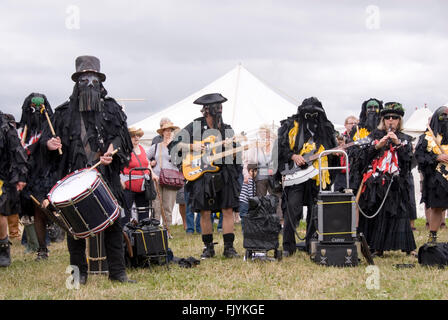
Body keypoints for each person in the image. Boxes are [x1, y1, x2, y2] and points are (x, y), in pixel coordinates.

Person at [41, 55, 135, 283]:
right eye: (84, 79)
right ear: (77, 82)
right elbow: (48, 139)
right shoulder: (63, 113)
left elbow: (122, 138)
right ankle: (78, 274)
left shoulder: (111, 108)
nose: (89, 83)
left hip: (106, 175)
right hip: (75, 176)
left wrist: (110, 152)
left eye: (93, 79)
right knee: (75, 228)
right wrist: (50, 144)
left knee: (113, 224)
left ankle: (118, 273)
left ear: (100, 82)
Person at [169, 93, 243, 259]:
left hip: (224, 173)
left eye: (221, 106)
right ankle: (208, 248)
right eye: (217, 106)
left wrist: (235, 154)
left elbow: (236, 155)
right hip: (203, 176)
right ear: (207, 110)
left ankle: (229, 248)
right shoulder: (195, 127)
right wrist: (191, 147)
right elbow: (174, 144)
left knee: (228, 209)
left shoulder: (227, 129)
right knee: (205, 212)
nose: (220, 109)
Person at [277, 97, 338, 257]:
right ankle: (288, 246)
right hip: (296, 174)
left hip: (318, 176)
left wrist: (334, 153)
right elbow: (280, 148)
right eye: (307, 113)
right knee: (292, 208)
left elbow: (332, 149)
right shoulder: (290, 125)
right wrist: (293, 156)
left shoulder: (326, 128)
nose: (311, 116)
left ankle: (312, 243)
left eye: (315, 113)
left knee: (315, 210)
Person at [357, 102, 416, 256]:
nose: (391, 120)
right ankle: (376, 247)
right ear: (383, 120)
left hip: (396, 183)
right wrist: (377, 146)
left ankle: (408, 247)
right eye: (388, 118)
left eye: (394, 118)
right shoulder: (374, 136)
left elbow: (409, 162)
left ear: (399, 120)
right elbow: (361, 159)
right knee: (377, 212)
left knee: (399, 213)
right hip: (376, 183)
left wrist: (398, 144)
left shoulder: (405, 138)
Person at [16, 93, 55, 260]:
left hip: (48, 173)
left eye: (39, 107)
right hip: (30, 176)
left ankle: (53, 230)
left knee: (46, 209)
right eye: (33, 107)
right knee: (37, 210)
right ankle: (42, 248)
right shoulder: (23, 130)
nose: (36, 111)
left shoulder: (51, 127)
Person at [415, 105, 448, 244]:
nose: (446, 118)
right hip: (436, 179)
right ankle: (432, 236)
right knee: (436, 207)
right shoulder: (427, 138)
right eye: (443, 116)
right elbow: (419, 156)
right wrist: (436, 158)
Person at [0, 111, 28, 267]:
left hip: (0, 176)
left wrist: (21, 175)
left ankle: (3, 247)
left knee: (0, 211)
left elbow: (17, 151)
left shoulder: (4, 126)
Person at [146, 120, 180, 236]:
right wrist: (151, 168)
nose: (168, 132)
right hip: (157, 178)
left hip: (172, 180)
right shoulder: (156, 146)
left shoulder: (177, 146)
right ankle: (156, 230)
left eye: (170, 130)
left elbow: (182, 161)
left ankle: (167, 231)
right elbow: (144, 159)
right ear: (162, 132)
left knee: (168, 206)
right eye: (166, 130)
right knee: (156, 205)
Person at [243, 124, 282, 221]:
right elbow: (247, 162)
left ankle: (279, 221)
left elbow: (280, 159)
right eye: (261, 132)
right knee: (260, 199)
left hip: (274, 176)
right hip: (260, 176)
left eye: (265, 132)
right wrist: (247, 174)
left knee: (278, 199)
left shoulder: (274, 144)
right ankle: (261, 221)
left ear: (269, 133)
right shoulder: (255, 145)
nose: (263, 134)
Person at [120, 126, 152, 225]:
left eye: (137, 135)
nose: (136, 138)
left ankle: (143, 235)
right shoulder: (124, 150)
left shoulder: (142, 148)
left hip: (143, 187)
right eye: (133, 136)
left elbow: (147, 163)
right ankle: (126, 236)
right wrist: (120, 180)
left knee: (144, 213)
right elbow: (117, 166)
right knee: (125, 213)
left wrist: (152, 174)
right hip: (128, 187)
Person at [333, 115, 359, 192]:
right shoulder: (339, 137)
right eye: (351, 123)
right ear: (345, 125)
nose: (353, 125)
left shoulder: (360, 137)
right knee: (339, 197)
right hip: (341, 172)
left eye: (355, 123)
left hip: (355, 172)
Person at [239, 163, 257, 229]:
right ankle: (245, 229)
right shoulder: (250, 180)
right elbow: (250, 193)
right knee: (244, 215)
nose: (254, 173)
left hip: (245, 201)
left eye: (255, 171)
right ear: (249, 171)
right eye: (252, 171)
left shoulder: (252, 180)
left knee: (246, 216)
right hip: (244, 201)